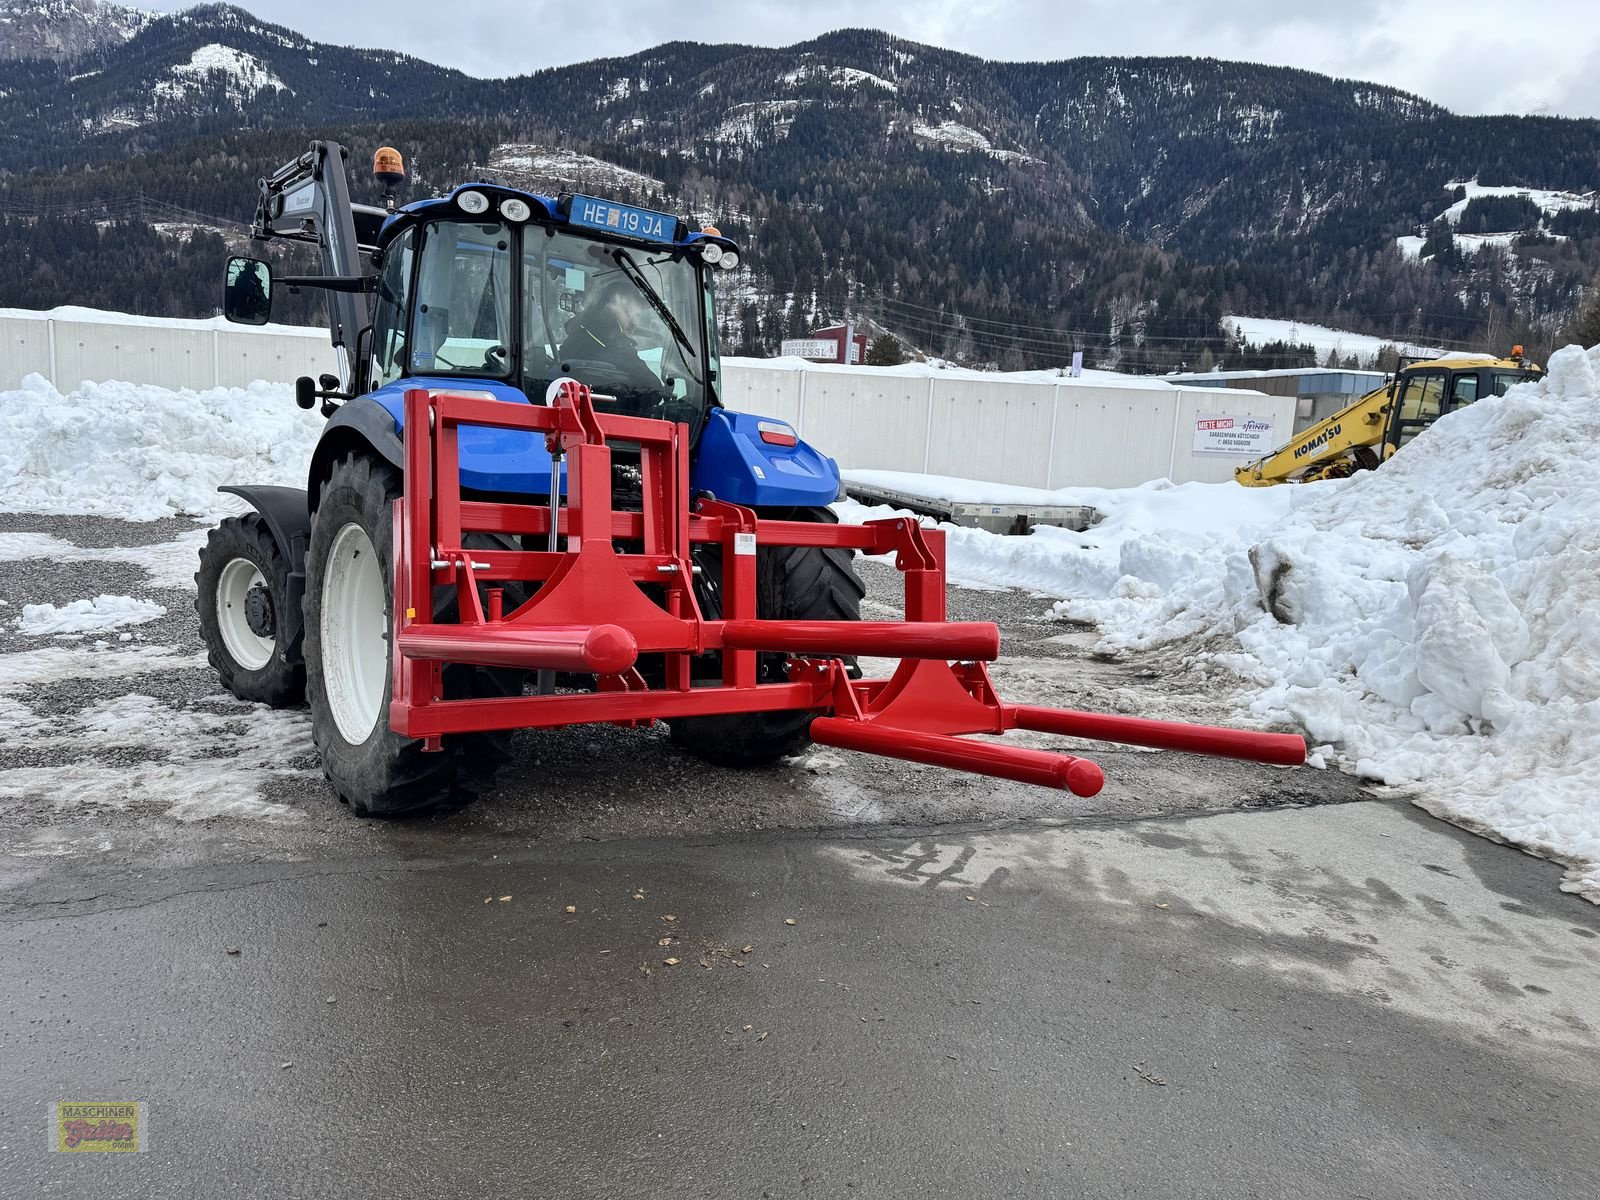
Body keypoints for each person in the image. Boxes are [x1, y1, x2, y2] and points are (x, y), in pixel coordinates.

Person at [556, 278, 665, 408]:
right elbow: (654, 388)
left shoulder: (578, 334)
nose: (636, 321)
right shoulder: (615, 343)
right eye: (637, 313)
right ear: (621, 308)